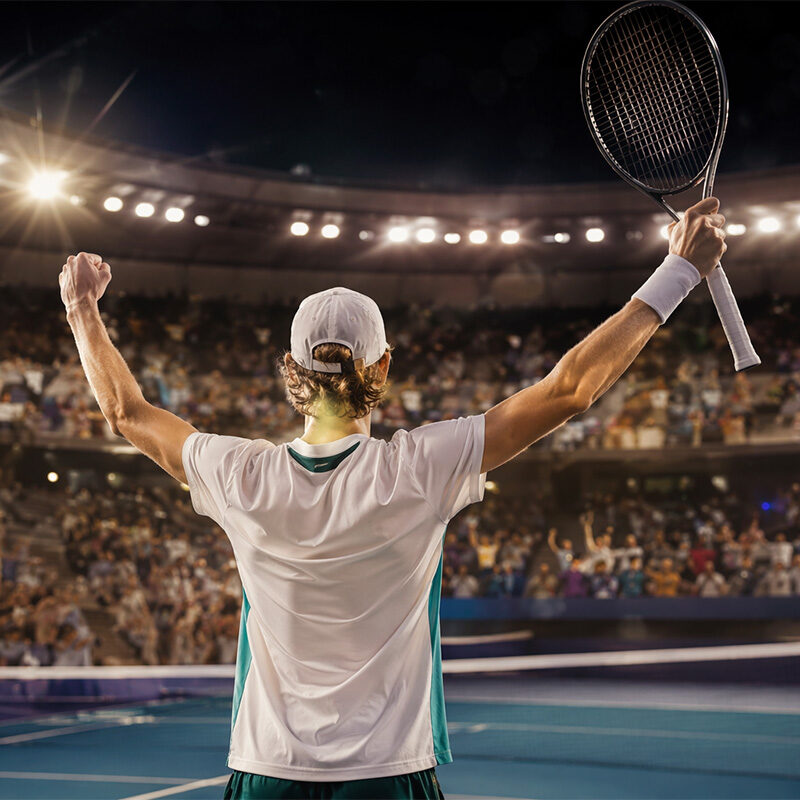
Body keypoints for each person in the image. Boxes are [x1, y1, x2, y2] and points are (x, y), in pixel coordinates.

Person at [58, 197, 725, 799]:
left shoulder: (238, 474)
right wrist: (678, 270)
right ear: (381, 367)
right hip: (386, 777)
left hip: (267, 771)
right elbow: (568, 389)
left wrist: (82, 308)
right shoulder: (419, 469)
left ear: (289, 371)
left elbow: (126, 413)